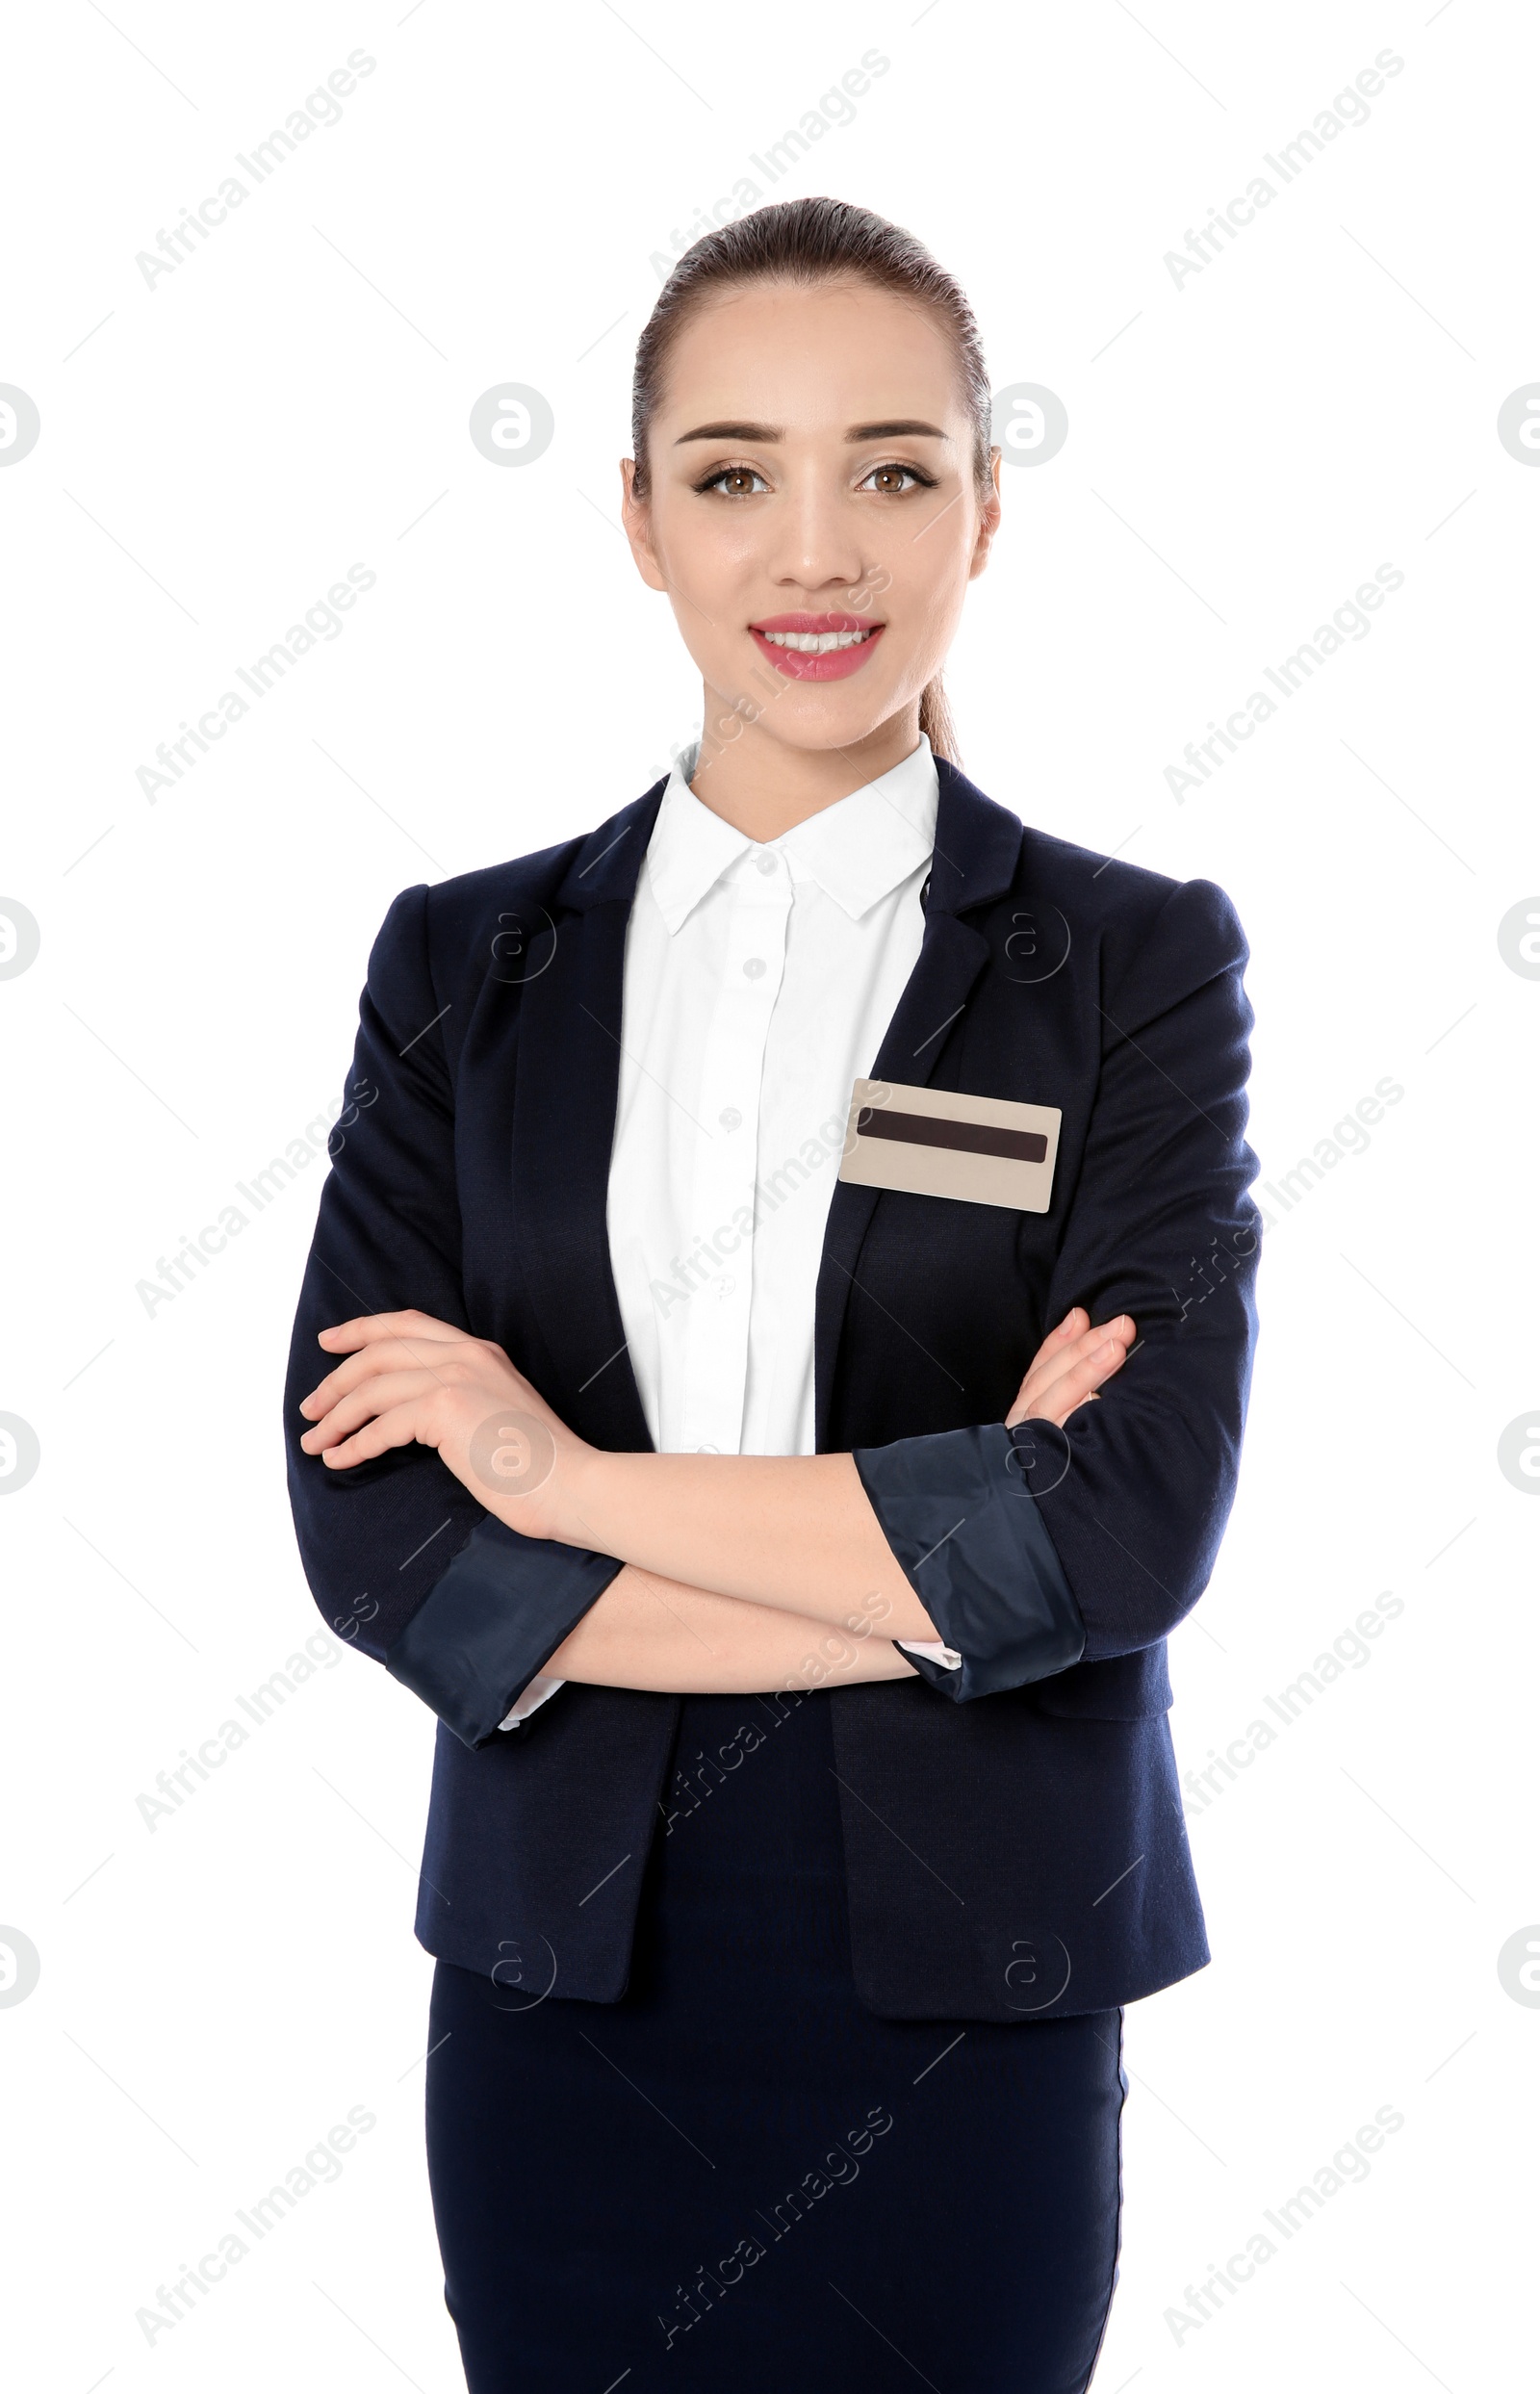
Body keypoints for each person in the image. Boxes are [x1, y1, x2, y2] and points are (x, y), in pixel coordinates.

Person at [285, 196, 1260, 2394]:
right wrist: (932, 1569)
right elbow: (382, 1535)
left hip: (969, 1992)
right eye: (732, 474)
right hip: (565, 1985)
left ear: (981, 509)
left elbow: (1121, 1530)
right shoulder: (461, 964)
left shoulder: (1125, 964)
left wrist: (552, 1467)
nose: (814, 552)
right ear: (636, 520)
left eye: (890, 470)